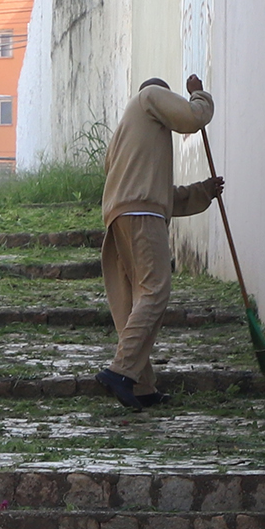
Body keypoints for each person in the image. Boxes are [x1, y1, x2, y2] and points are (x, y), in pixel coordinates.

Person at [95, 74, 224, 411]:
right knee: (155, 291)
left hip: (124, 215)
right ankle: (120, 371)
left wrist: (204, 192)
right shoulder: (150, 96)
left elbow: (165, 197)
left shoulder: (129, 138)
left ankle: (141, 386)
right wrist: (198, 95)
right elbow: (193, 118)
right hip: (140, 216)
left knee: (139, 301)